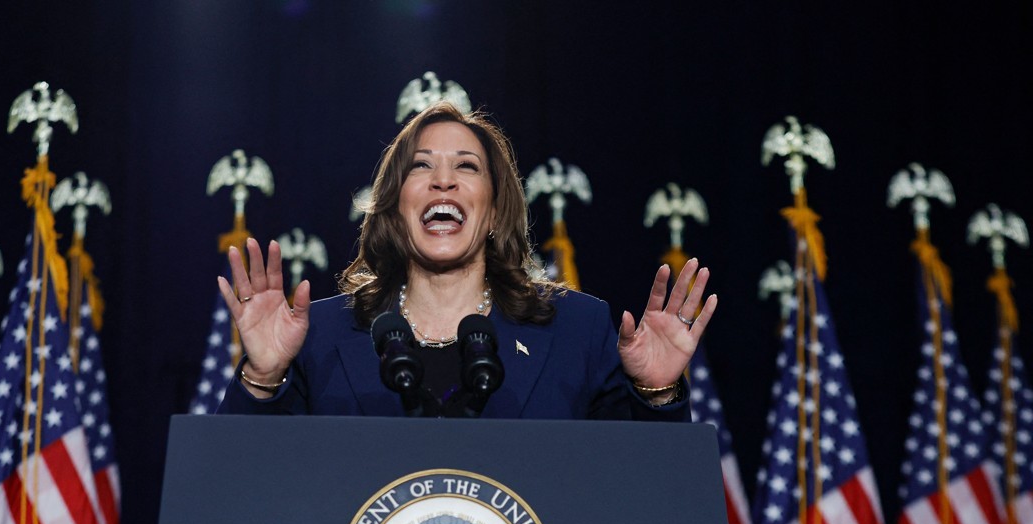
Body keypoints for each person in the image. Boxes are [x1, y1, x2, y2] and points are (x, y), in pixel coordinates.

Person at [215, 102, 716, 420]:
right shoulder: (320, 334)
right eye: (422, 167)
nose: (443, 182)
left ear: (495, 210)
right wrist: (262, 376)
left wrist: (657, 393)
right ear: (395, 206)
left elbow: (640, 499)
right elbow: (243, 490)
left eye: (467, 167)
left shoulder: (576, 332)